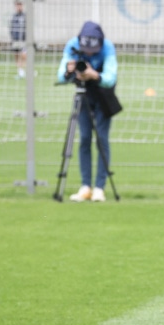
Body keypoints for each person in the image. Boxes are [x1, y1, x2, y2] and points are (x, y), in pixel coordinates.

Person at [56, 21, 119, 203]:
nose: (90, 53)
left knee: (102, 139)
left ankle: (99, 187)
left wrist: (94, 75)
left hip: (103, 95)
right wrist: (69, 73)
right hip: (83, 95)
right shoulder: (72, 46)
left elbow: (110, 77)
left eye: (93, 50)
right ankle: (85, 186)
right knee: (84, 138)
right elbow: (60, 76)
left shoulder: (107, 47)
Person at [10, 0, 27, 78]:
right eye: (17, 5)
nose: (19, 7)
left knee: (24, 55)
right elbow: (11, 28)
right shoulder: (14, 16)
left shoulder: (24, 16)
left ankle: (26, 69)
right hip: (15, 39)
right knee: (16, 55)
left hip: (23, 39)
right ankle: (20, 70)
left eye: (20, 5)